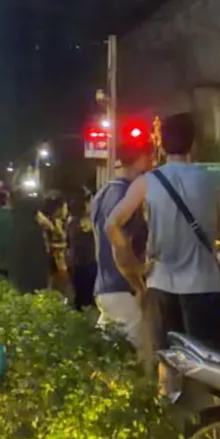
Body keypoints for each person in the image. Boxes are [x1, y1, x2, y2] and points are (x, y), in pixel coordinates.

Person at [106, 112, 220, 356]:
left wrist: (133, 266)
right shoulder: (214, 181)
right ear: (193, 143)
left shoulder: (147, 182)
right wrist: (208, 226)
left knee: (167, 361)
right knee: (209, 361)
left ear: (161, 144)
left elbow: (112, 224)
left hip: (161, 284)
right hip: (204, 285)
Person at [91, 142, 152, 353]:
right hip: (125, 289)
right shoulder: (127, 197)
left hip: (105, 287)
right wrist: (138, 285)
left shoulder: (102, 193)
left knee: (110, 359)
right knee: (139, 356)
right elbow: (120, 244)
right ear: (142, 159)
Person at [66, 195, 97, 310]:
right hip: (87, 262)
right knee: (87, 296)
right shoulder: (84, 222)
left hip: (77, 262)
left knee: (80, 295)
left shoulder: (71, 222)